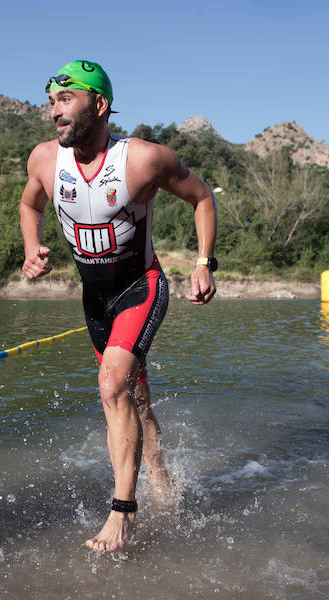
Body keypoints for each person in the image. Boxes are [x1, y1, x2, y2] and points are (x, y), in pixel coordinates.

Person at [19, 60, 218, 553]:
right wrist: (31, 247)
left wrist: (203, 262)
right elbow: (30, 205)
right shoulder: (45, 160)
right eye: (51, 103)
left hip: (139, 288)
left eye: (66, 101)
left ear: (99, 105)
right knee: (133, 400)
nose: (54, 113)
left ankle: (123, 512)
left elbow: (202, 197)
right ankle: (161, 480)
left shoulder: (143, 160)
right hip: (95, 302)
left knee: (111, 386)